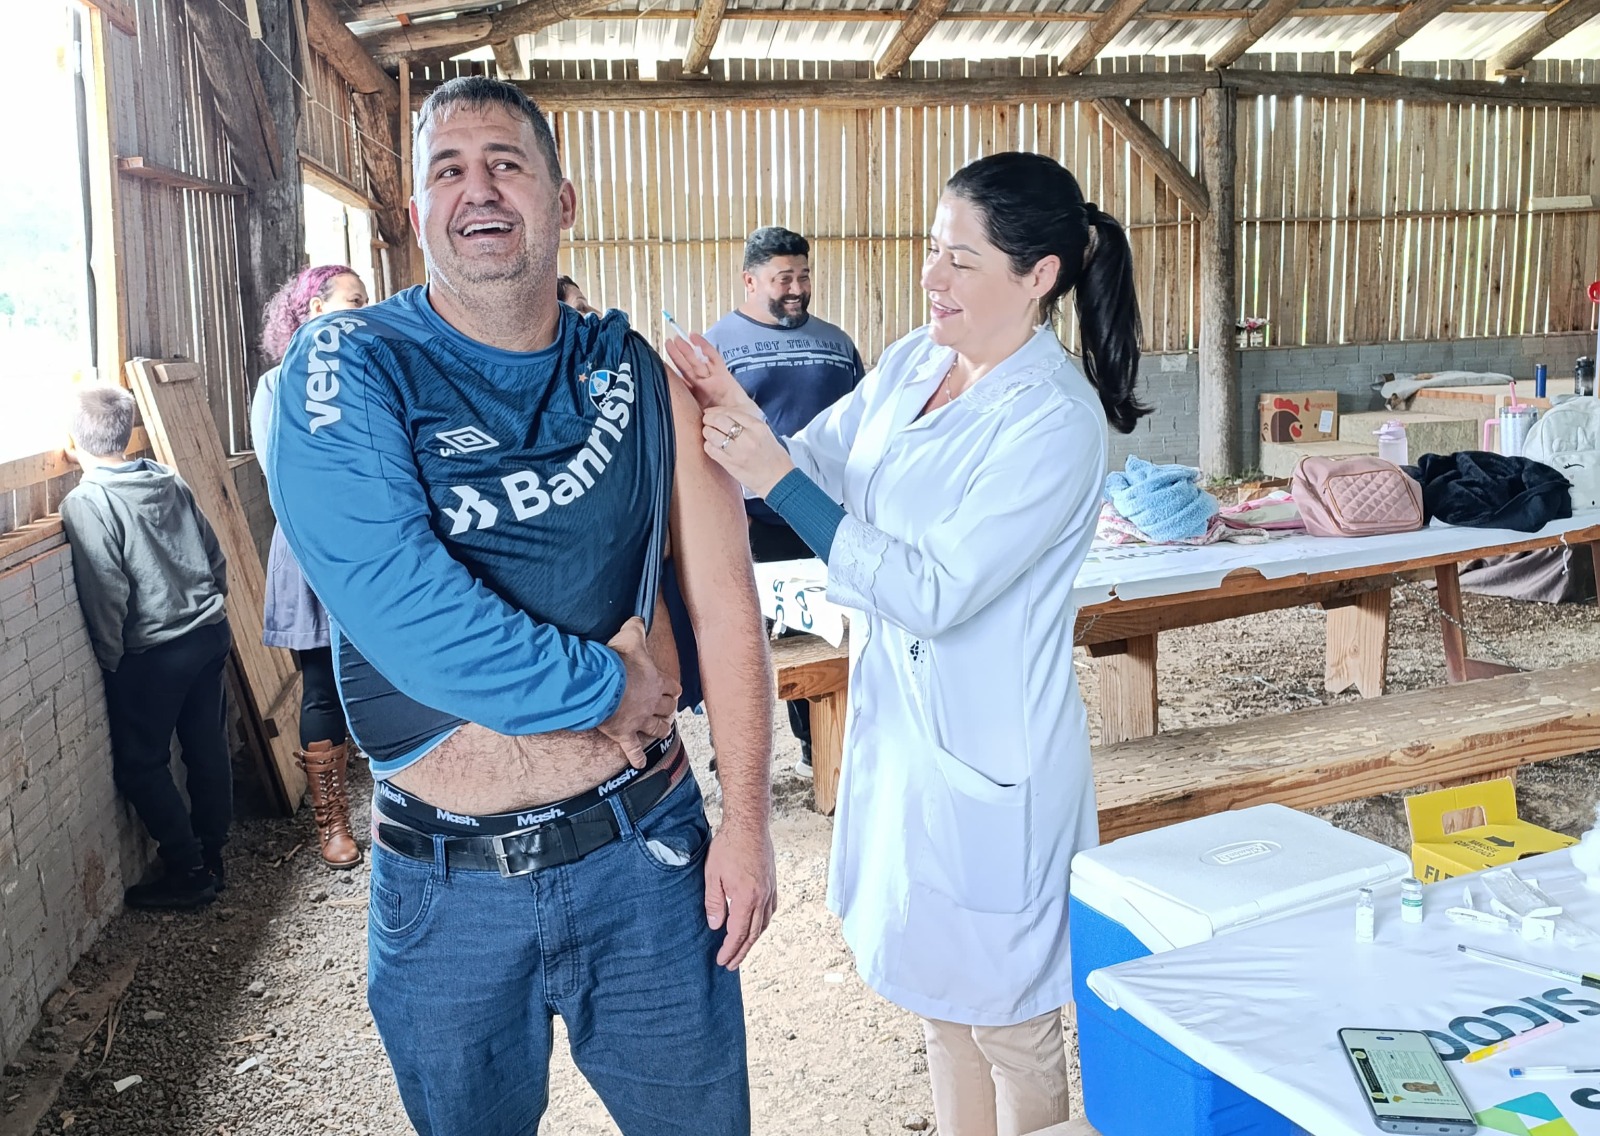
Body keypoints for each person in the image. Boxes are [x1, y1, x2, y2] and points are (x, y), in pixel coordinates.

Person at [263, 76, 775, 1136]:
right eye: (447, 170)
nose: (477, 188)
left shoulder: (637, 373)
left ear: (562, 198)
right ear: (416, 216)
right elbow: (405, 609)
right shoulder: (349, 361)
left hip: (643, 856)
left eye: (506, 162)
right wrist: (608, 684)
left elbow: (727, 603)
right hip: (445, 885)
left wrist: (751, 822)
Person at [668, 150, 1148, 1136]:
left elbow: (934, 591)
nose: (931, 277)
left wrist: (775, 476)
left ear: (1039, 275)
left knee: (1011, 1024)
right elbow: (819, 463)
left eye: (960, 259)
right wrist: (738, 413)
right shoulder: (914, 363)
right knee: (940, 1005)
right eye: (932, 251)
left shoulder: (1054, 422)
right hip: (907, 739)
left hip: (992, 750)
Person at [60, 385, 233, 910]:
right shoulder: (165, 477)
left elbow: (106, 589)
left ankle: (188, 870)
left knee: (140, 764)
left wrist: (112, 658)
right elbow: (213, 554)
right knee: (206, 745)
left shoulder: (88, 501)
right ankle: (213, 851)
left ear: (73, 441)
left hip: (156, 653)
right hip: (209, 632)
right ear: (130, 431)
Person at [704, 226, 864, 778]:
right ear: (750, 280)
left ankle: (818, 746)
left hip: (823, 514)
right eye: (782, 279)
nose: (796, 288)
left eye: (803, 276)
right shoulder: (717, 346)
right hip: (750, 516)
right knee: (745, 635)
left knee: (822, 631)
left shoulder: (838, 344)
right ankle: (736, 756)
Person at [252, 264, 368, 869]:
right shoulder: (276, 387)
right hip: (315, 550)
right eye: (352, 301)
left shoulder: (372, 375)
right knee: (322, 685)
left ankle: (411, 801)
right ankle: (331, 822)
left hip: (378, 545)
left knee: (390, 674)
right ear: (313, 310)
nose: (362, 311)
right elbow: (287, 480)